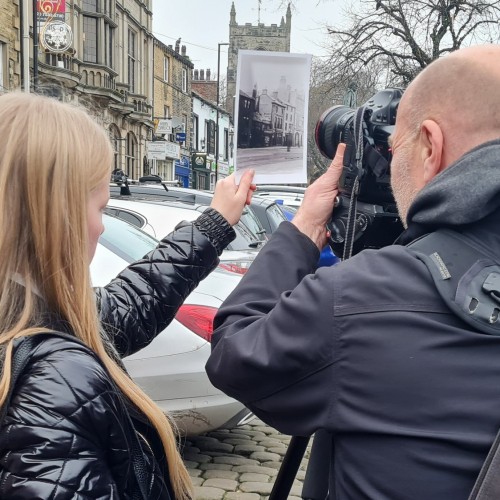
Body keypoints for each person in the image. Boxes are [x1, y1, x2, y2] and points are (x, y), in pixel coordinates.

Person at [206, 44, 500, 499]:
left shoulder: (365, 298)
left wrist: (301, 230)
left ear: (430, 146)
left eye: (395, 146)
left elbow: (235, 354)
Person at [0, 92, 255, 499]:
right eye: (100, 208)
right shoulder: (57, 379)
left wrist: (216, 223)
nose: (101, 229)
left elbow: (129, 302)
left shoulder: (27, 318)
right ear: (55, 216)